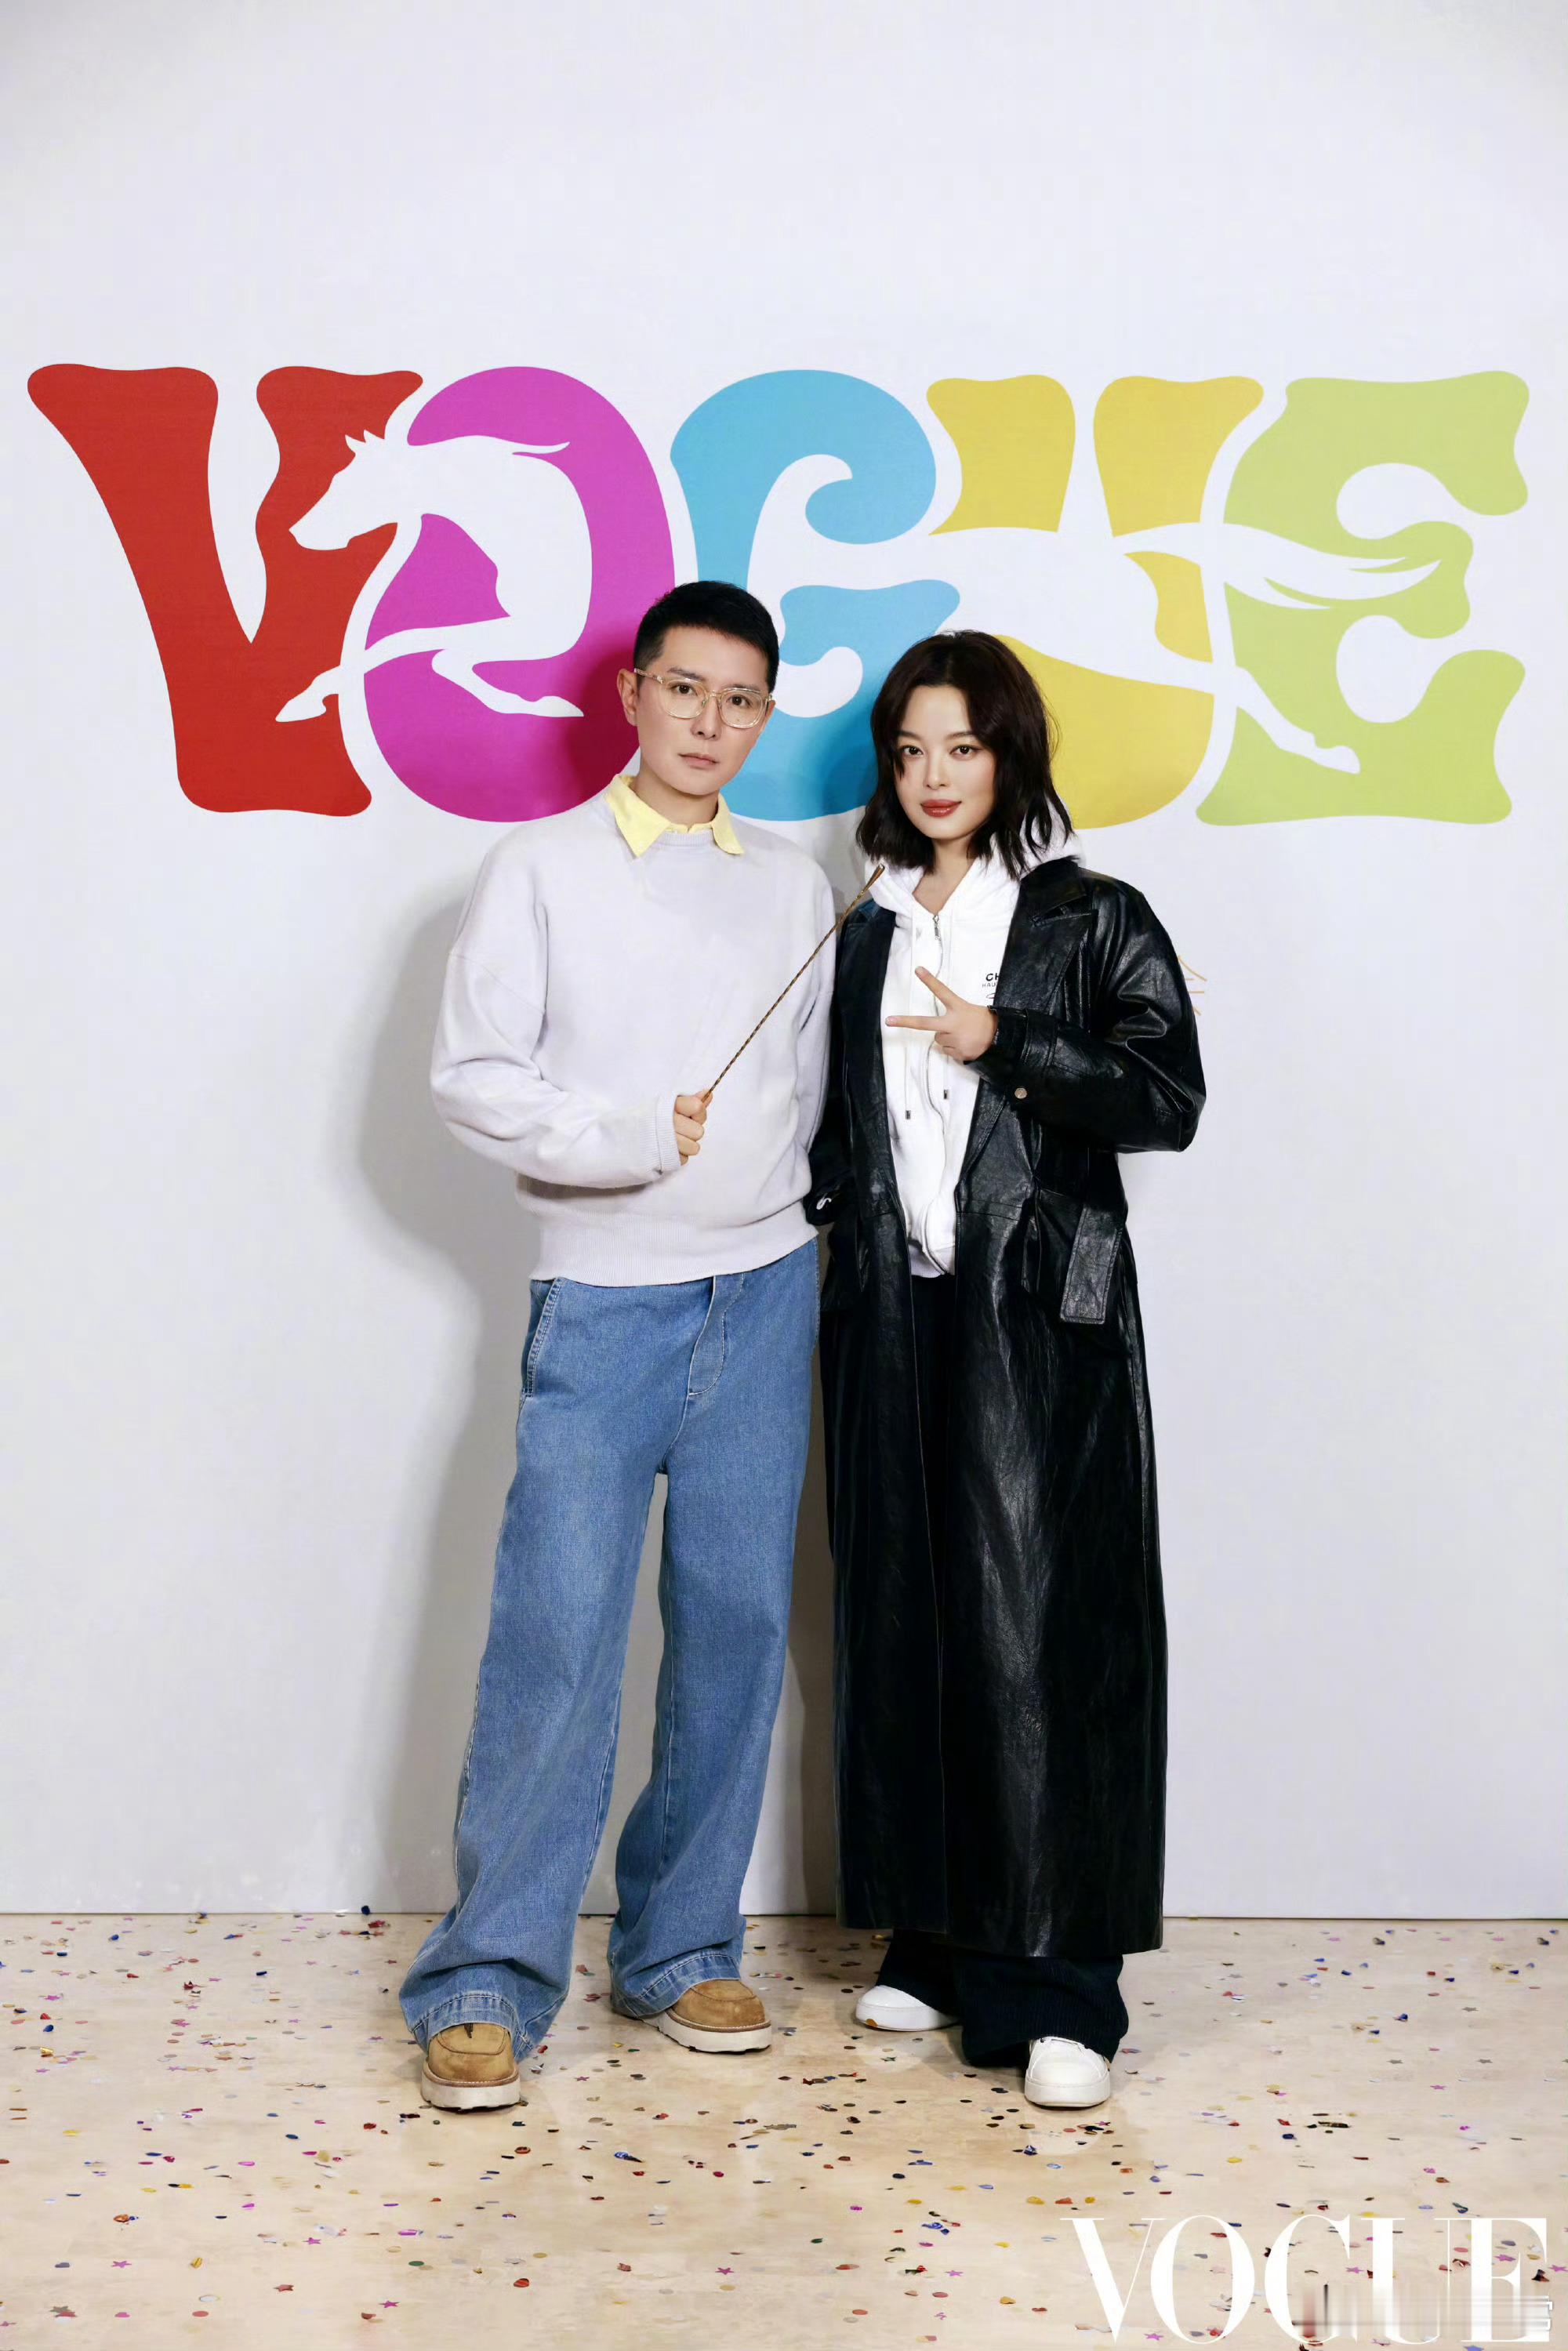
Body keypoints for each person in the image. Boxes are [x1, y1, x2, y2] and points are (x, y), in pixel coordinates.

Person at [401, 580, 834, 2110]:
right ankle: (486, 1975)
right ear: (633, 692)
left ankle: (682, 1944)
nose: (710, 722)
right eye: (686, 689)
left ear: (762, 718)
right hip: (602, 1301)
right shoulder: (538, 869)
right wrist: (631, 1139)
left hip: (767, 1294)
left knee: (735, 1630)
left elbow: (804, 1092)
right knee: (559, 1633)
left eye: (741, 701)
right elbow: (475, 1078)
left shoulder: (793, 887)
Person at [807, 629, 1204, 2110]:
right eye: (910, 751)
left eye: (961, 749)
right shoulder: (865, 924)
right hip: (892, 1317)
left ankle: (1061, 1992)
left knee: (1041, 1640)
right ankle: (933, 1938)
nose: (933, 777)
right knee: (905, 1619)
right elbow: (838, 1121)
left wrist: (1008, 1039)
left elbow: (1168, 1097)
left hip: (1038, 1327)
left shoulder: (1092, 916)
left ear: (1009, 757)